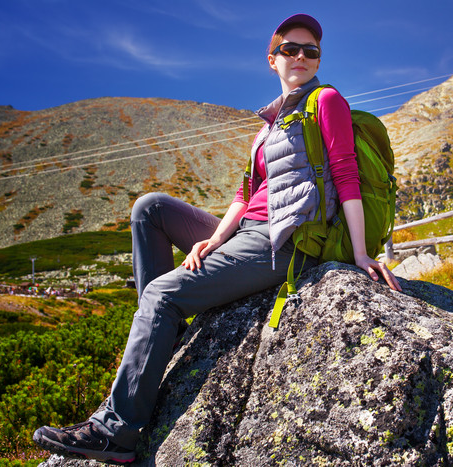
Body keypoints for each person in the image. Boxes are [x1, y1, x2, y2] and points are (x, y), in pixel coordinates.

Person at [33, 13, 401, 464]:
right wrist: (214, 239)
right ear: (273, 59)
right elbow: (244, 195)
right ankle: (165, 336)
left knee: (163, 295)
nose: (301, 56)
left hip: (283, 240)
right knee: (149, 208)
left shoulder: (326, 101)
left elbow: (345, 174)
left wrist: (362, 253)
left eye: (311, 50)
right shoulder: (266, 126)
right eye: (291, 48)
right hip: (247, 229)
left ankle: (118, 431)